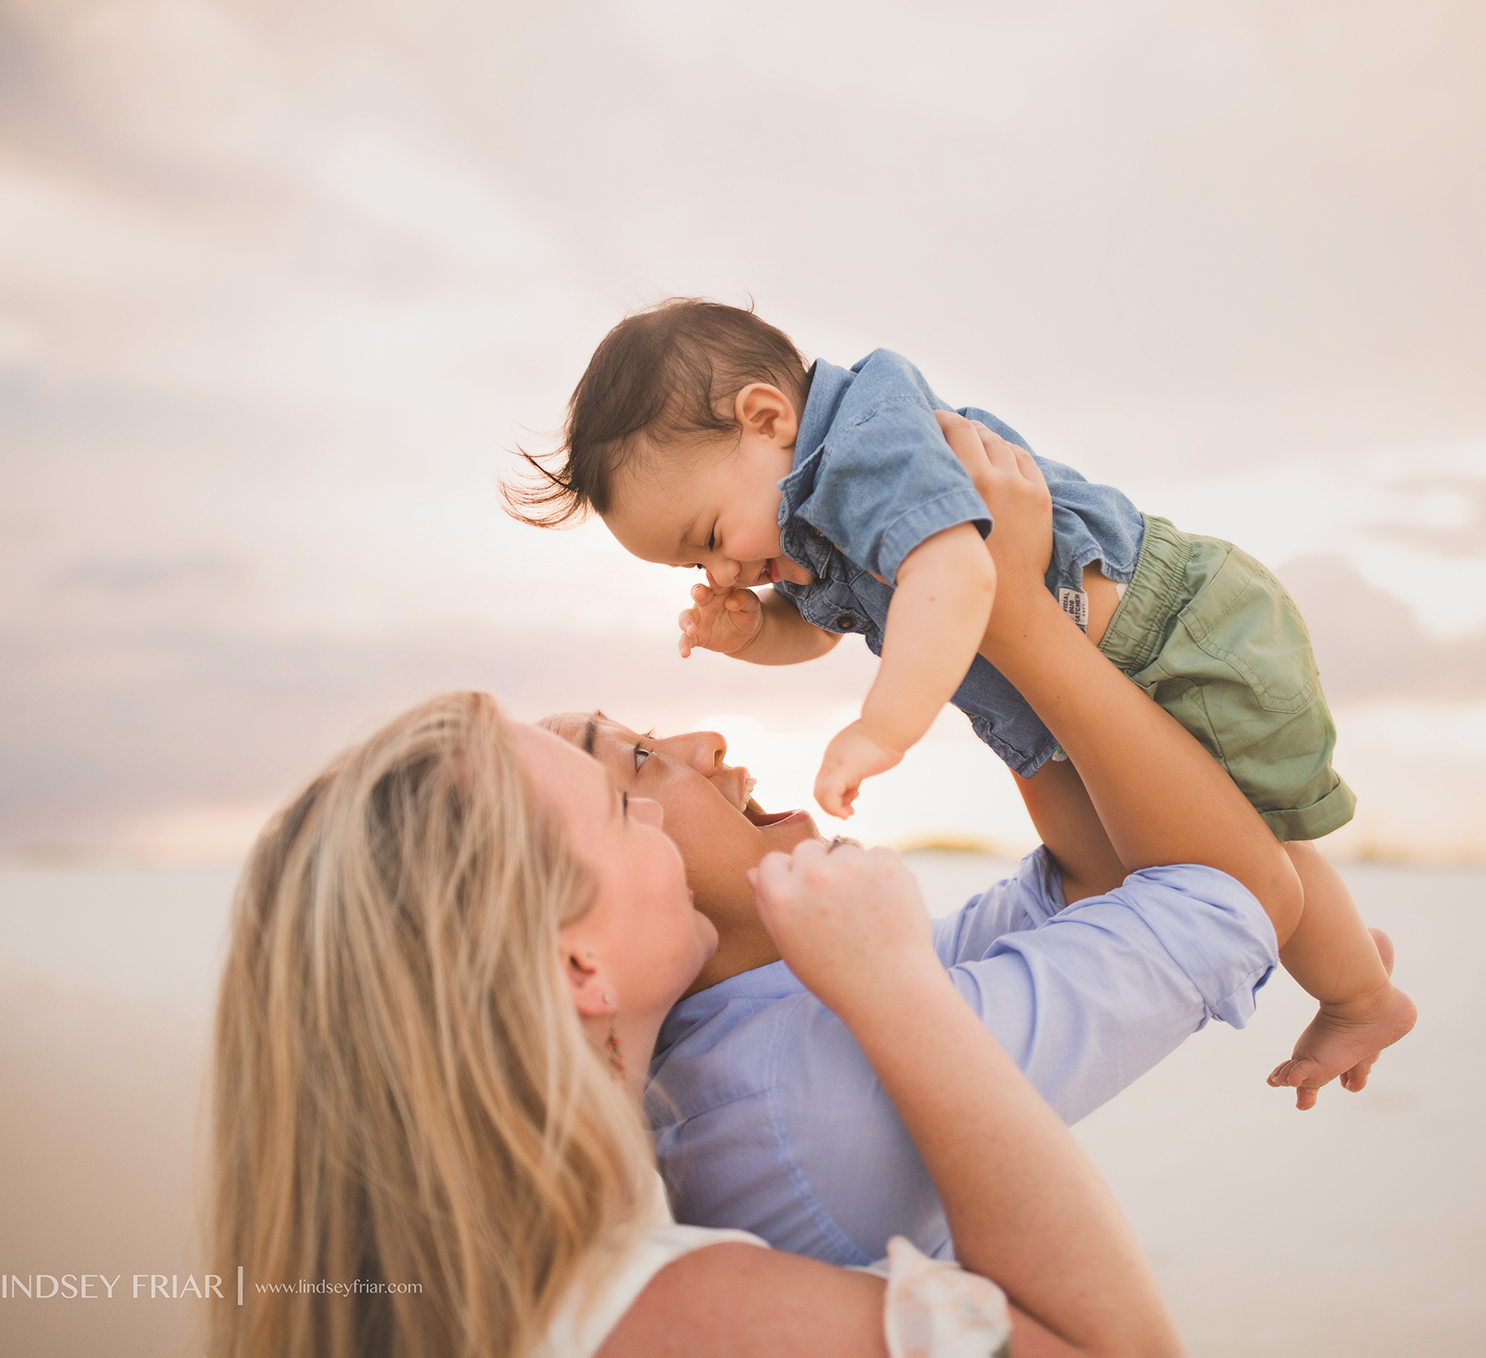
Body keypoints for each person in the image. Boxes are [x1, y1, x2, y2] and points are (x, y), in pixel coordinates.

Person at [505, 298, 1414, 1108]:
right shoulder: (809, 508)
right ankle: (1345, 964)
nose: (721, 569)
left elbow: (956, 568)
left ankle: (1359, 994)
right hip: (1062, 695)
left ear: (766, 416)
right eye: (695, 568)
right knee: (1177, 861)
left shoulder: (868, 443)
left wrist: (882, 725)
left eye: (707, 537)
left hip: (1160, 638)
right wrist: (755, 633)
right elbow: (827, 625)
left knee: (1240, 855)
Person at [542, 418, 1359, 1265]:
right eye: (639, 760)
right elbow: (1234, 894)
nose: (704, 743)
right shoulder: (807, 1102)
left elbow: (1093, 881)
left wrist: (964, 625)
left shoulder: (761, 1018)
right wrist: (1012, 616)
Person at [205, 701, 1190, 1357]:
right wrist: (896, 991)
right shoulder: (684, 1315)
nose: (661, 808)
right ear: (576, 965)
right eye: (620, 807)